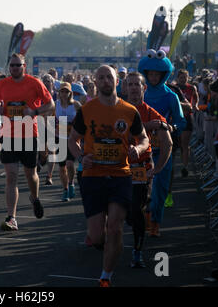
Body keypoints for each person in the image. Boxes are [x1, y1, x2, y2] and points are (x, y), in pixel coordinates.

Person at [68, 65, 149, 287]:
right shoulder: (87, 110)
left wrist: (138, 150)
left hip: (120, 175)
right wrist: (80, 157)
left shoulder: (129, 110)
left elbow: (143, 138)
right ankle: (104, 246)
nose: (105, 81)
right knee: (97, 237)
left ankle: (106, 276)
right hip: (93, 175)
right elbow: (72, 139)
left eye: (109, 77)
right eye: (101, 78)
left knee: (115, 227)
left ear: (117, 81)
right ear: (96, 82)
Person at [0, 53, 55, 231]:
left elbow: (50, 105)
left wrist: (35, 112)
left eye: (17, 65)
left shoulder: (34, 83)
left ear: (24, 66)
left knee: (30, 175)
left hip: (28, 135)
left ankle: (34, 198)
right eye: (11, 65)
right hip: (9, 135)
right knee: (11, 176)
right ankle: (12, 217)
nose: (14, 68)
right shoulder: (3, 84)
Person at [124, 72, 173, 268]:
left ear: (144, 89)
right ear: (125, 88)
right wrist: (146, 126)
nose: (134, 88)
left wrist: (158, 168)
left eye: (137, 84)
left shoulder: (152, 113)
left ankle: (137, 251)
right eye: (130, 84)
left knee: (136, 210)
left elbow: (167, 142)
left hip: (142, 168)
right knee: (124, 212)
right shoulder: (118, 109)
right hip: (118, 167)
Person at [138, 49, 186, 237]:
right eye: (150, 74)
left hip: (163, 149)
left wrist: (170, 128)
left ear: (163, 74)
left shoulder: (171, 96)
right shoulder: (139, 95)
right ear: (146, 74)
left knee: (160, 188)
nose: (154, 77)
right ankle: (144, 216)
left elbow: (180, 121)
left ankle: (156, 221)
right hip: (141, 150)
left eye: (157, 74)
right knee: (140, 187)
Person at [55, 82, 81, 201]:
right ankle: (65, 190)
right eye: (62, 91)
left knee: (70, 164)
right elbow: (49, 118)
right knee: (62, 167)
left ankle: (71, 183)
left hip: (72, 138)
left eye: (66, 91)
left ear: (70, 93)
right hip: (59, 137)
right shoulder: (56, 104)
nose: (64, 94)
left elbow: (83, 118)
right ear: (59, 93)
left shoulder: (75, 105)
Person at [175, 69, 199, 178]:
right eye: (181, 77)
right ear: (178, 77)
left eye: (185, 77)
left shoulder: (191, 88)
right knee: (178, 145)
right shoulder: (174, 88)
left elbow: (196, 97)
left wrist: (195, 105)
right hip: (175, 119)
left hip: (187, 118)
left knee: (185, 145)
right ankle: (175, 165)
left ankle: (185, 167)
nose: (183, 79)